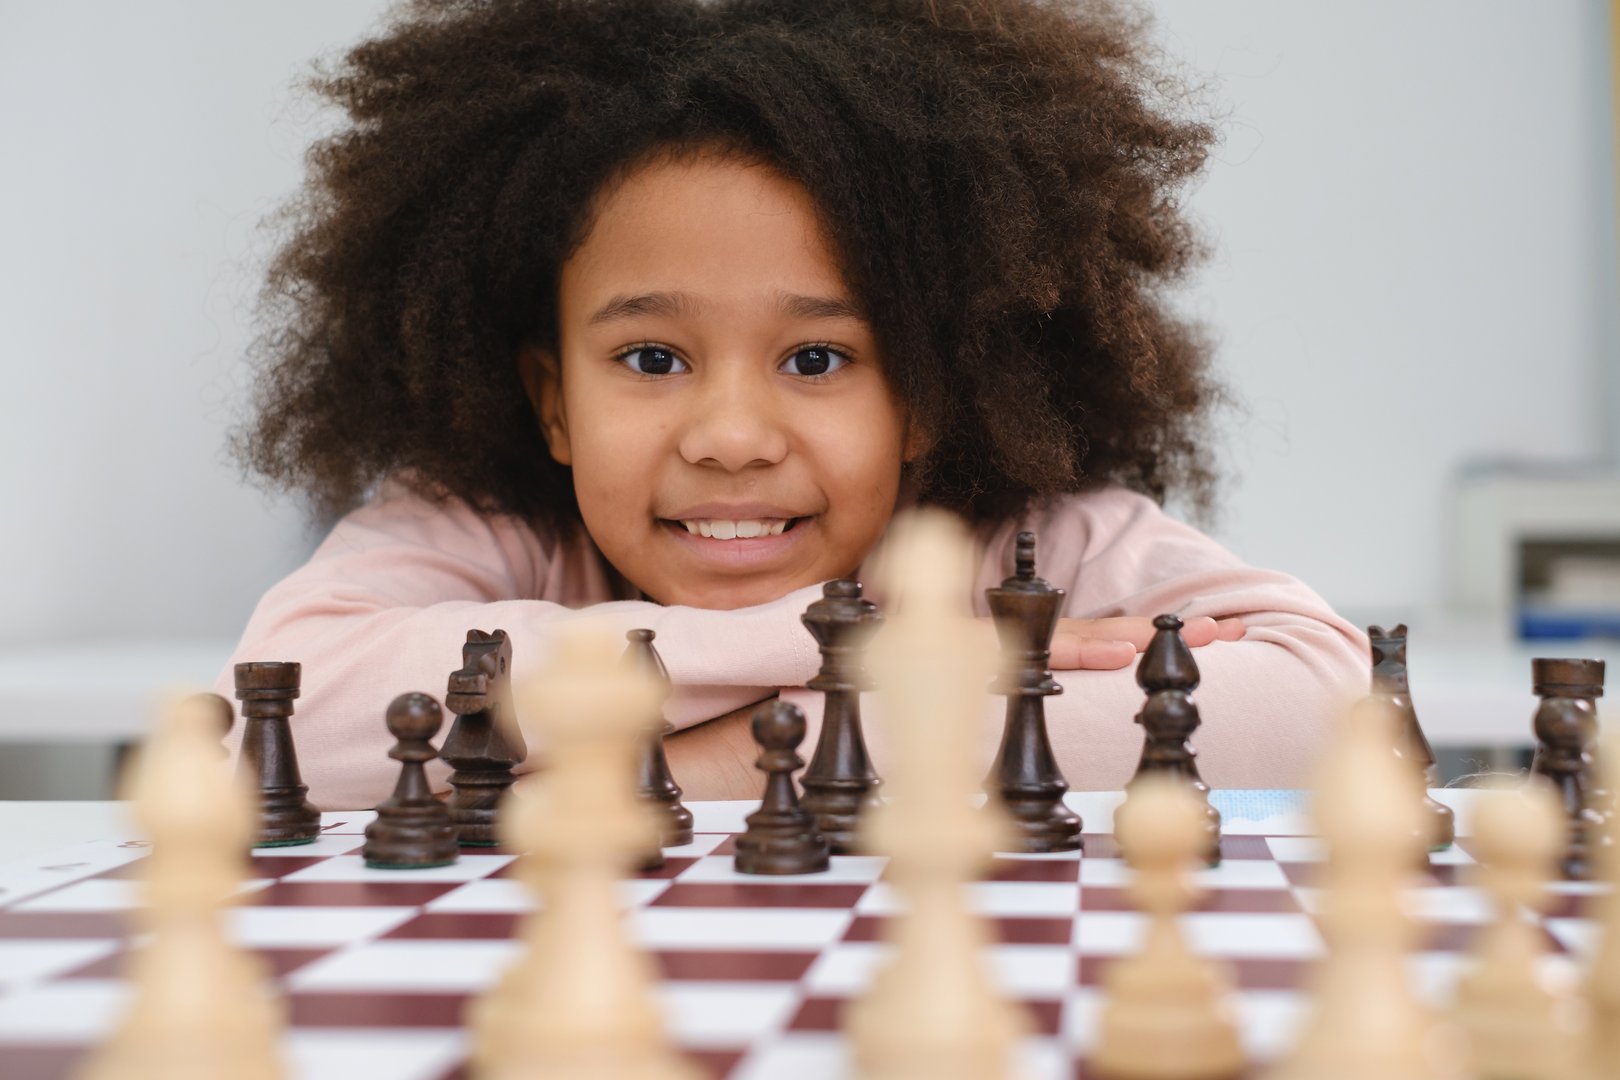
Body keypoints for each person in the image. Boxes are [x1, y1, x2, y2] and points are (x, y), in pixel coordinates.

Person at [219, 0, 1365, 810]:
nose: (729, 440)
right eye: (653, 359)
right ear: (552, 399)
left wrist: (694, 768)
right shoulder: (490, 526)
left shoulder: (1028, 539)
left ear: (928, 397)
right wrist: (877, 656)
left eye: (818, 360)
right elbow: (290, 716)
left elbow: (1318, 707)